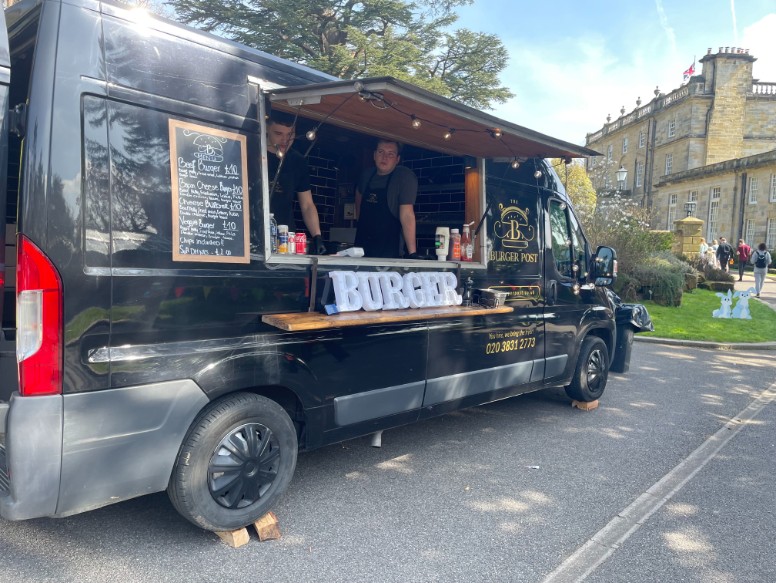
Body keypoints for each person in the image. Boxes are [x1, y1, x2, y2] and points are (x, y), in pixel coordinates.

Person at [265, 114, 327, 254]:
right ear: (267, 130)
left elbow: (307, 205)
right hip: (254, 234)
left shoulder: (298, 161)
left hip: (285, 237)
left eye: (290, 134)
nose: (285, 140)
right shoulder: (253, 153)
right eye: (279, 133)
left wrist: (317, 236)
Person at [354, 139, 418, 258]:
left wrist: (412, 253)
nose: (385, 157)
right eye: (380, 152)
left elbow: (407, 215)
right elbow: (358, 196)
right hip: (361, 252)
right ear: (374, 155)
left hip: (389, 253)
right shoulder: (366, 175)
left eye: (390, 154)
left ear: (397, 159)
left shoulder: (403, 177)